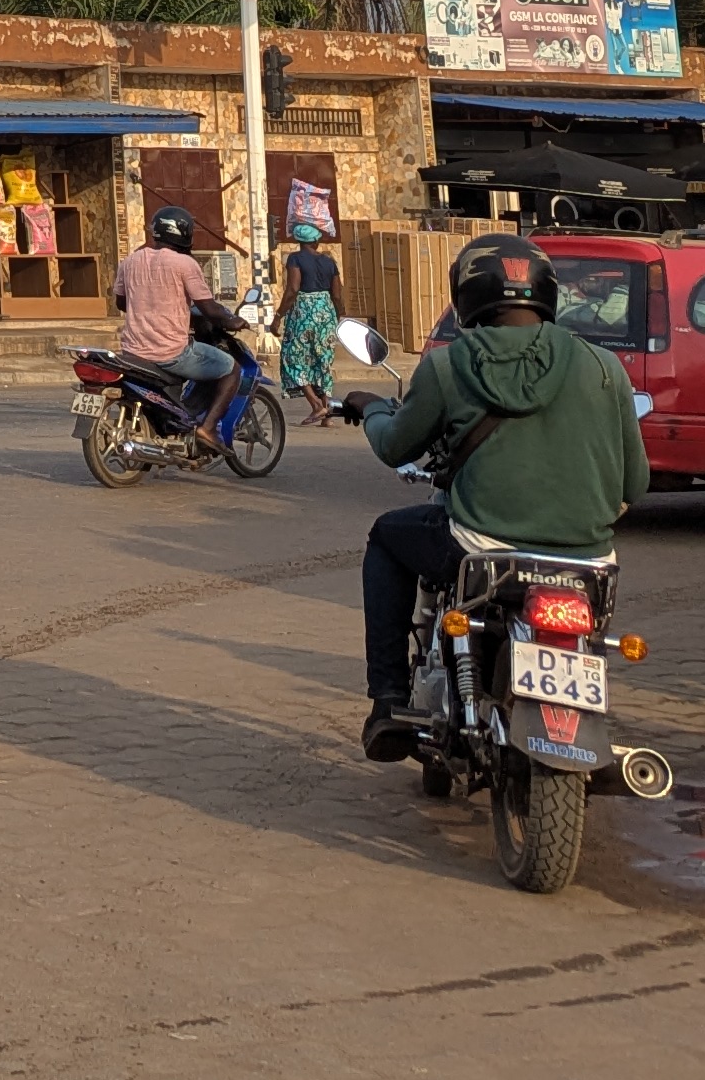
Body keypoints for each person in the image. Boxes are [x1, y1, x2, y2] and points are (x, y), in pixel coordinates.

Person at [358, 236, 650, 761]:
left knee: (386, 537)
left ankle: (389, 699)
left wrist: (372, 410)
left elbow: (395, 447)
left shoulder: (448, 366)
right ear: (547, 292)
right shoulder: (606, 366)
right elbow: (636, 486)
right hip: (588, 562)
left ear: (467, 295)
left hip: (481, 552)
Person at [112, 204, 231, 419]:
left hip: (132, 352)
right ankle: (209, 428)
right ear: (185, 233)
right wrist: (233, 320)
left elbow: (121, 303)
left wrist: (146, 306)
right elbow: (209, 309)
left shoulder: (130, 261)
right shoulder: (185, 264)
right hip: (171, 353)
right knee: (231, 368)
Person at [276, 221, 345, 419]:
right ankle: (327, 413)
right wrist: (337, 316)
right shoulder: (329, 262)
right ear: (315, 241)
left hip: (303, 314)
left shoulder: (295, 258)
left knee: (292, 357)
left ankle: (315, 405)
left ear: (299, 241)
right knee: (323, 361)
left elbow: (293, 289)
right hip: (326, 313)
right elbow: (337, 295)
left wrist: (278, 316)